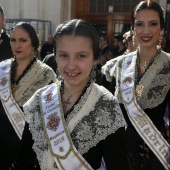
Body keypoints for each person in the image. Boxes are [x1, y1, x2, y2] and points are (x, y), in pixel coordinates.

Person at [10, 19, 127, 170]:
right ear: (55, 56)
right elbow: (22, 162)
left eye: (81, 56)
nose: (71, 65)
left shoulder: (106, 104)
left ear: (95, 59)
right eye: (64, 55)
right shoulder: (40, 99)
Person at [102, 0, 170, 169]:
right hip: (117, 155)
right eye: (140, 24)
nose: (146, 31)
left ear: (162, 29)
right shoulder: (114, 67)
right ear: (133, 29)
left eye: (153, 24)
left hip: (155, 156)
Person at [0, 22, 57, 170]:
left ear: (34, 43)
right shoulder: (2, 68)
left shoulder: (46, 74)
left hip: (27, 149)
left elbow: (50, 114)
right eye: (13, 40)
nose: (17, 45)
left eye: (23, 40)